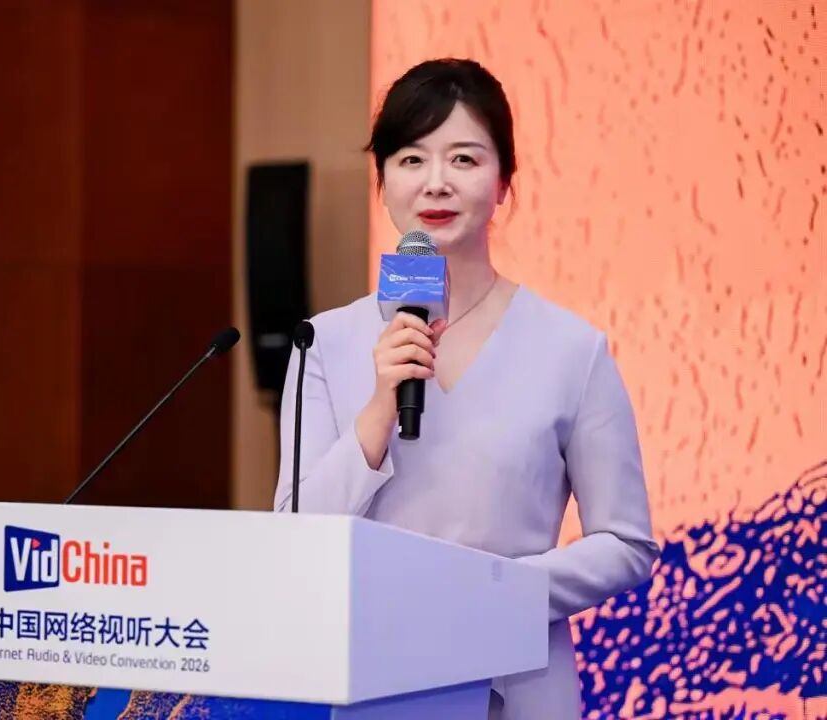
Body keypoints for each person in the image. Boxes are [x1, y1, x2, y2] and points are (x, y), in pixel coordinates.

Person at [273, 58, 660, 720]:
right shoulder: (323, 342)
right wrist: (378, 408)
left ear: (504, 181)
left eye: (463, 158)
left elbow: (626, 545)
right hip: (375, 681)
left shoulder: (572, 349)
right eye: (411, 159)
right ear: (383, 182)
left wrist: (493, 592)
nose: (437, 181)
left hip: (518, 685)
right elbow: (294, 536)